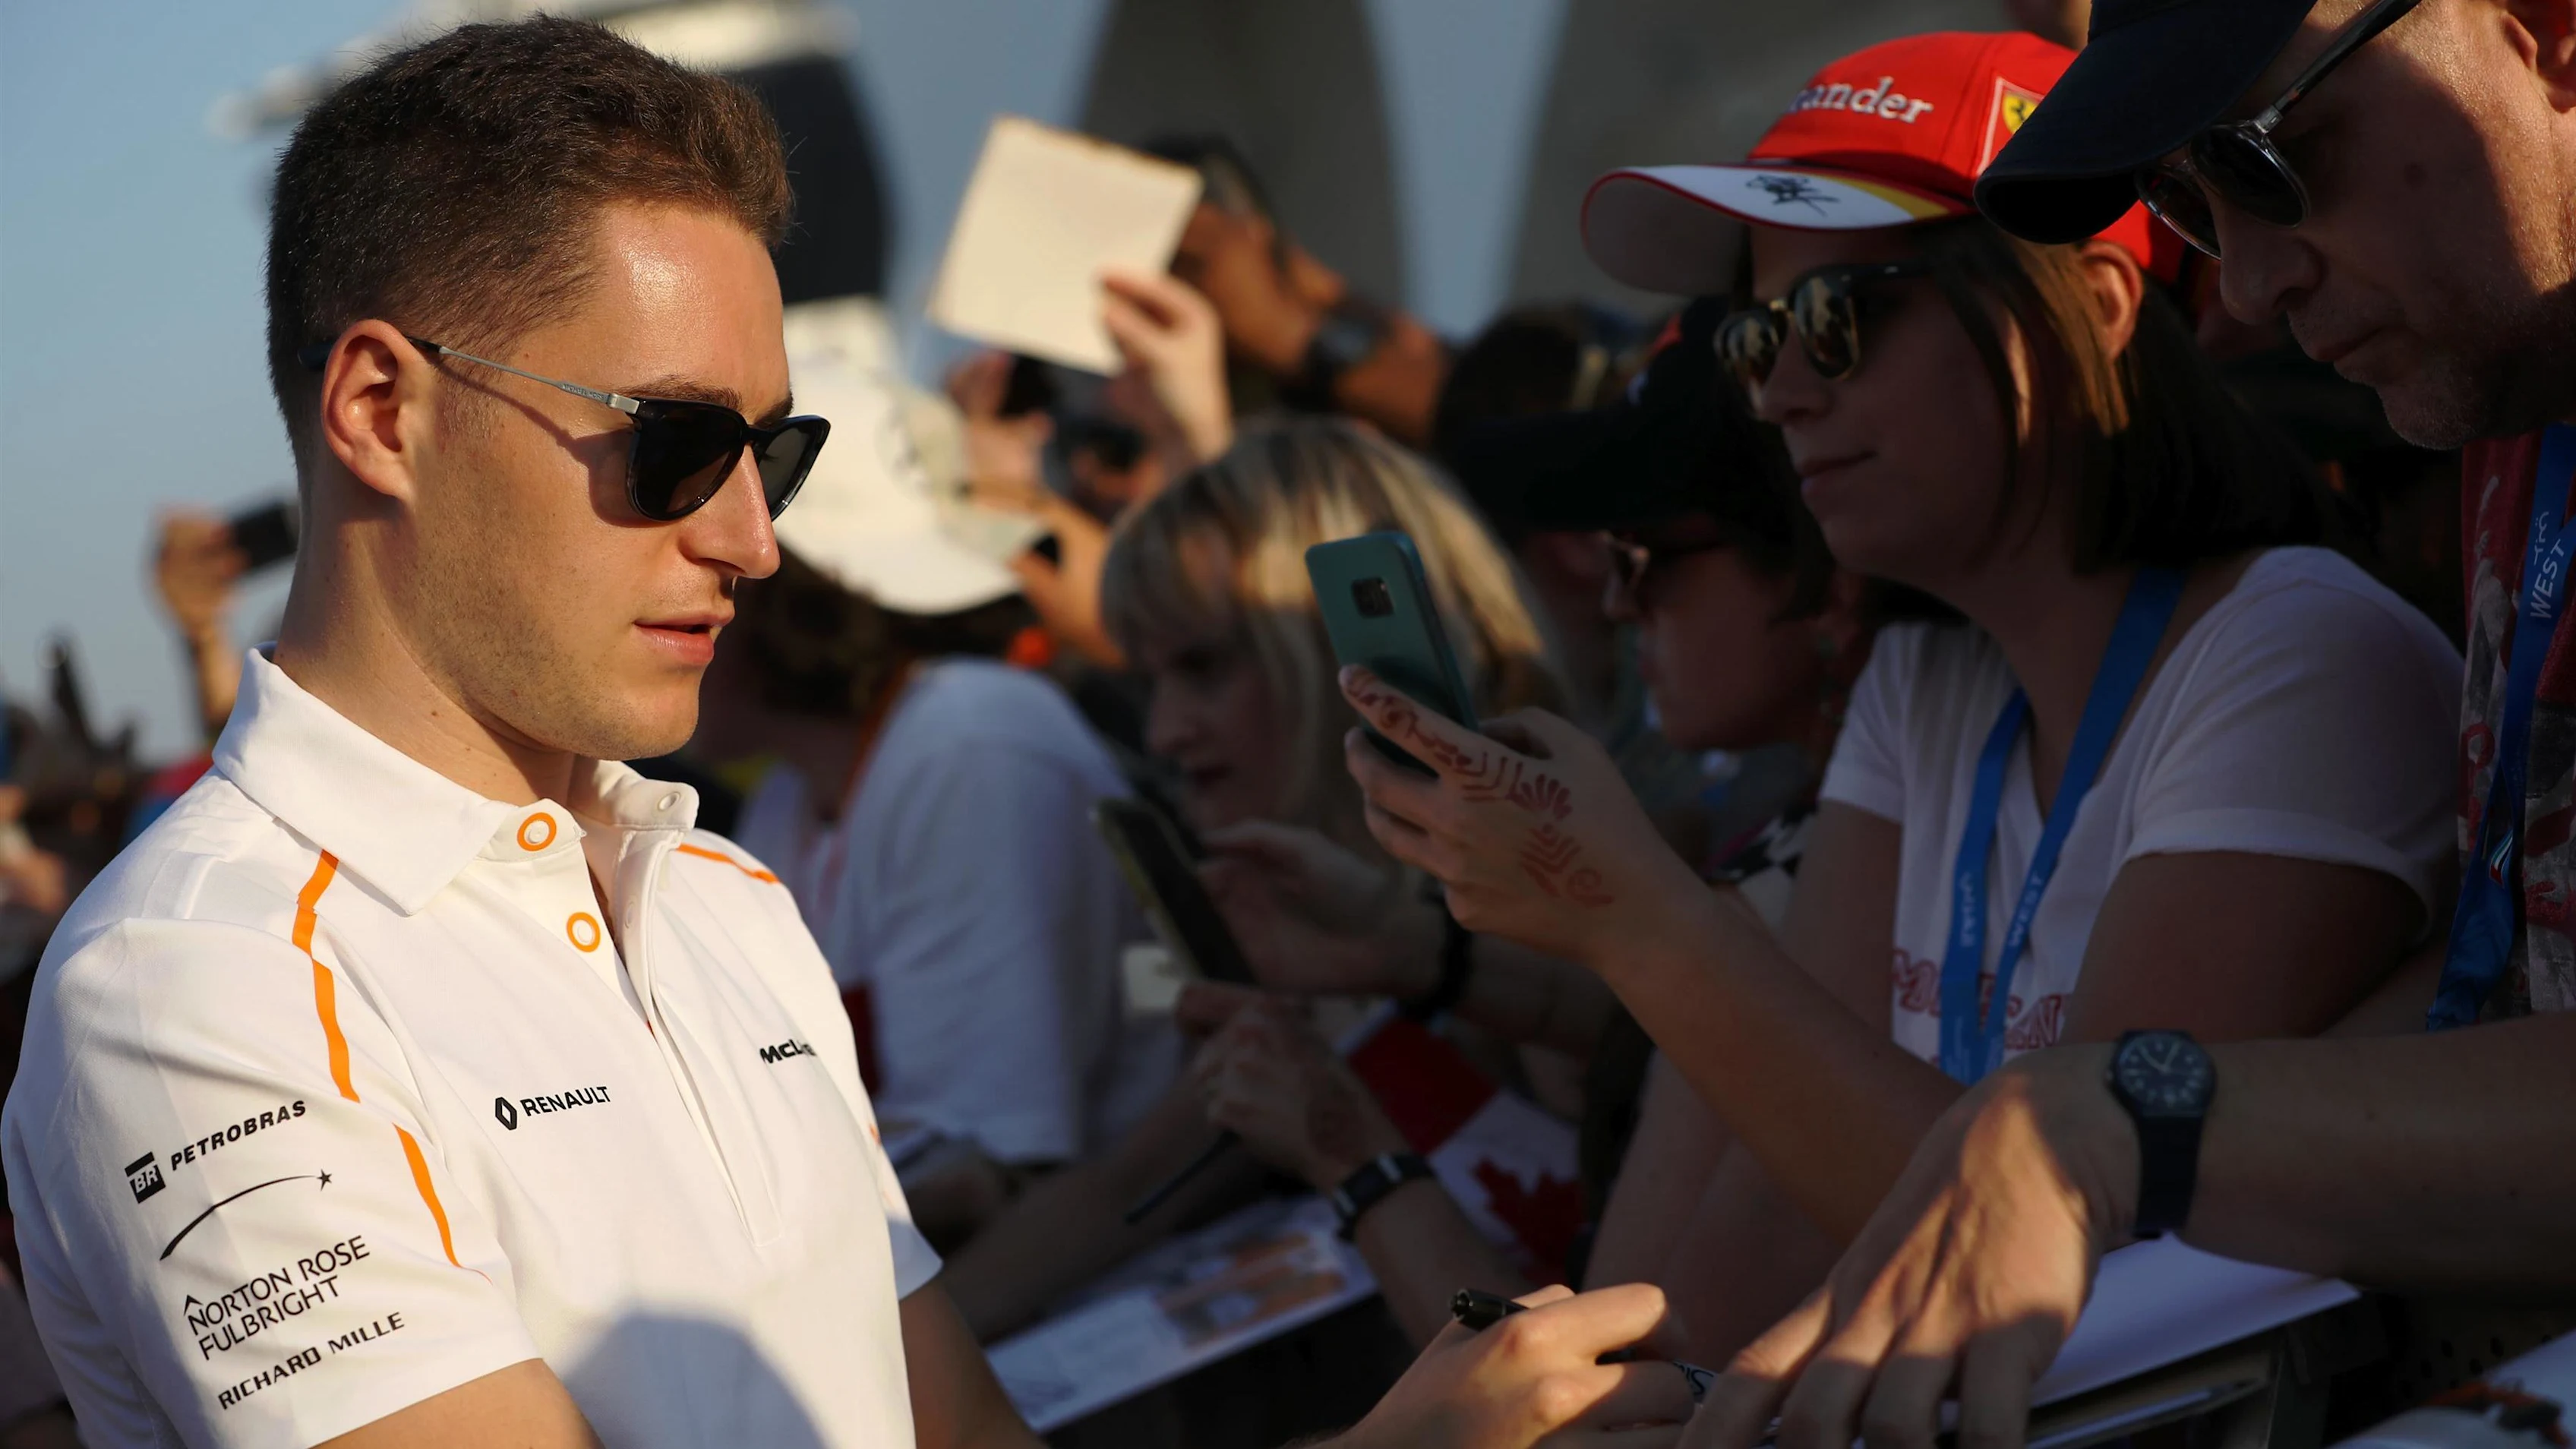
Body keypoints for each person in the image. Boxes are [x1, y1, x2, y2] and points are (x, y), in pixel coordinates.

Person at [0, 19, 1693, 1449]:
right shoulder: (201, 986)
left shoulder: (724, 902)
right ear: (382, 409)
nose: (750, 537)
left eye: (775, 457)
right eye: (673, 449)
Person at [1336, 27, 2467, 1368]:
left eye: (1838, 318)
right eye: (1753, 338)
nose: (1781, 394)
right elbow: (1775, 1180)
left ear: (2097, 307)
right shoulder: (1926, 677)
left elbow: (2058, 1242)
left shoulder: (2293, 656)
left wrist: (1626, 914)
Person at [1690, 2, 2576, 1441]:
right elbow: (2508, 988)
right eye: (2187, 199)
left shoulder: (2316, 610)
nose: (2241, 286)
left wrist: (2125, 1113)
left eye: (2270, 154)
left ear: (2547, 32)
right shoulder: (2508, 416)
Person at [1189, 295, 1893, 1348]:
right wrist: (1410, 949)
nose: (1615, 601)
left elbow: (1600, 1389)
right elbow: (1656, 1050)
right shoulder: (1787, 822)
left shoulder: (1833, 862)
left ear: (1820, 579)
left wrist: (1350, 1152)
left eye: (1646, 555)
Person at [939, 416, 1567, 1344]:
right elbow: (1120, 1194)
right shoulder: (1308, 924)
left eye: (1203, 668)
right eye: (1152, 680)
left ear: (1336, 651)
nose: (1164, 734)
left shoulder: (1567, 881)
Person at [689, 354, 1176, 1251]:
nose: (682, 582)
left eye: (711, 551)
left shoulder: (970, 742)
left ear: (790, 592)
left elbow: (989, 1169)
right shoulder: (796, 799)